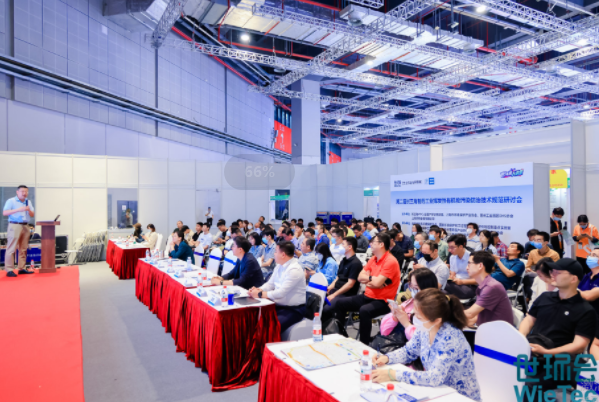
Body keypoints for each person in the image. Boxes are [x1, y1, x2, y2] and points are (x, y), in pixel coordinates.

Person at [371, 289, 481, 402]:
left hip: (459, 396)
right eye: (415, 314)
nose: (415, 319)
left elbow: (434, 378)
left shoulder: (450, 338)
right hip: (438, 391)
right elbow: (409, 351)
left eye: (419, 317)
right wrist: (387, 358)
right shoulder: (425, 327)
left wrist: (393, 374)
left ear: (437, 320)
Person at [519, 258, 596, 399]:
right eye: (552, 271)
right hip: (534, 354)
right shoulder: (545, 297)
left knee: (527, 385)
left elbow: (579, 345)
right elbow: (529, 320)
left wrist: (548, 352)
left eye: (557, 272)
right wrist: (520, 338)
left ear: (573, 279)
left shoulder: (586, 310)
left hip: (559, 362)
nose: (552, 274)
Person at [324, 233, 400, 345]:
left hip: (383, 301)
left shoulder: (390, 261)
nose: (370, 244)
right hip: (367, 296)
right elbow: (360, 277)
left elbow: (377, 283)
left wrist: (371, 279)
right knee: (340, 303)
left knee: (364, 310)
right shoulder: (373, 259)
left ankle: (364, 343)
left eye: (373, 242)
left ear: (381, 244)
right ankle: (341, 336)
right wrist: (372, 279)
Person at [249, 241, 306, 334]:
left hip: (293, 309)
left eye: (275, 251)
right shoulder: (279, 266)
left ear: (283, 255)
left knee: (269, 328)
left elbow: (281, 293)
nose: (274, 254)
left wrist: (260, 294)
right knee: (253, 318)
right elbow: (270, 284)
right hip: (278, 305)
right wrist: (259, 289)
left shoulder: (294, 269)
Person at [379, 269, 439, 340]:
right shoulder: (409, 302)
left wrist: (406, 324)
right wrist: (394, 317)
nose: (412, 290)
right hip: (393, 341)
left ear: (427, 288)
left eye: (416, 288)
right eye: (411, 286)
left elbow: (422, 341)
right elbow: (384, 332)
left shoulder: (433, 311)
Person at [464, 251, 514, 327]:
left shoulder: (491, 287)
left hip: (498, 332)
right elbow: (476, 315)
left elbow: (470, 313)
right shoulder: (485, 284)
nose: (467, 267)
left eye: (469, 264)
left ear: (480, 266)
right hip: (488, 328)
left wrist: (447, 313)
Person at [3, 185, 35, 276]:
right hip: (14, 225)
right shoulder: (11, 201)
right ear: (17, 192)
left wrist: (28, 210)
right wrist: (18, 209)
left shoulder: (28, 202)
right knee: (11, 248)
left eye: (26, 191)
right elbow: (5, 212)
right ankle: (9, 270)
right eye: (22, 191)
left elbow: (32, 214)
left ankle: (22, 268)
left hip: (25, 225)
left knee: (23, 248)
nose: (24, 193)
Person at [578, 247, 599, 359]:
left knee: (593, 347)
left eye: (594, 255)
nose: (590, 257)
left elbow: (589, 296)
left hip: (597, 317)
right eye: (590, 254)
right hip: (584, 316)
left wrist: (569, 288)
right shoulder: (586, 276)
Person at [327, 237, 362, 302]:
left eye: (343, 244)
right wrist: (329, 287)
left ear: (349, 247)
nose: (341, 246)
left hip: (346, 294)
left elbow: (350, 284)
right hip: (337, 290)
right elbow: (338, 278)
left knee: (329, 305)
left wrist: (334, 295)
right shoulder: (343, 260)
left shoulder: (355, 263)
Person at [444, 234, 476, 299]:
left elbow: (478, 280)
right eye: (449, 247)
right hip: (456, 285)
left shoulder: (472, 257)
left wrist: (462, 282)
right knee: (443, 289)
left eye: (452, 247)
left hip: (469, 286)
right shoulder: (452, 257)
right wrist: (451, 277)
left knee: (444, 287)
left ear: (461, 246)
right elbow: (452, 274)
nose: (449, 250)